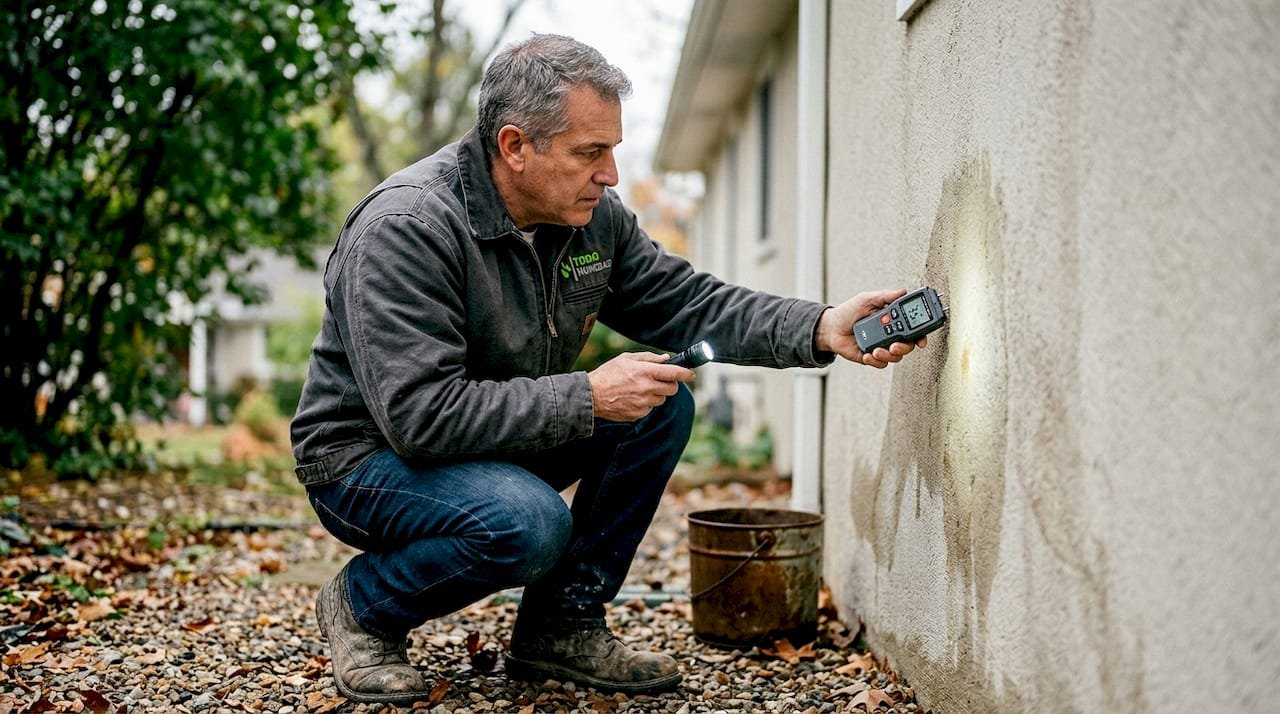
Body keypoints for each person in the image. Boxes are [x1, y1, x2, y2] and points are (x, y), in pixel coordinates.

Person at [290, 33, 926, 705]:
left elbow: (690, 304)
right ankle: (364, 606)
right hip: (367, 461)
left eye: (613, 150)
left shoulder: (591, 223)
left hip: (485, 440)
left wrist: (821, 326)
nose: (611, 174)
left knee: (659, 404)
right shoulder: (409, 227)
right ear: (514, 146)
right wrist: (588, 397)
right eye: (590, 153)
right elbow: (421, 417)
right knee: (528, 524)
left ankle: (561, 626)